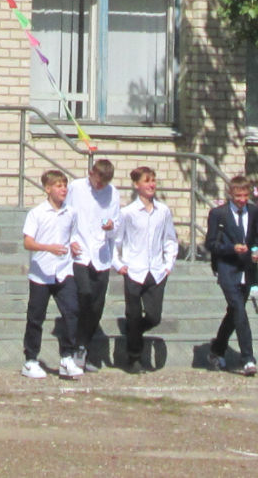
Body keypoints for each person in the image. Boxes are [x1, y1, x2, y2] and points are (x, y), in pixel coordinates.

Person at [113, 166, 178, 374]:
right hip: (134, 270)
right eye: (146, 181)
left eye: (153, 181)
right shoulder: (127, 213)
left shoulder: (163, 211)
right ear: (136, 185)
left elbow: (170, 239)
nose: (151, 185)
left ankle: (133, 333)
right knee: (133, 314)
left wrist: (168, 264)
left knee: (154, 316)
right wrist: (118, 264)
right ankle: (133, 357)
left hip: (156, 271)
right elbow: (116, 240)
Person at [21, 170, 83, 379]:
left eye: (65, 185)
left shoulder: (71, 213)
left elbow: (72, 235)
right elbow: (28, 242)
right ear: (48, 189)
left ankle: (67, 357)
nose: (63, 189)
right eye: (58, 186)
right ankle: (30, 360)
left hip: (64, 271)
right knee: (36, 318)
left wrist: (73, 245)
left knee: (72, 311)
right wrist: (48, 248)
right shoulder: (37, 213)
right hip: (41, 273)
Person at [204, 175, 258, 376]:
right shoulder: (218, 214)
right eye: (238, 196)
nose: (242, 200)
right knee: (240, 309)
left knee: (234, 313)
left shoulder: (255, 212)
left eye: (245, 196)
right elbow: (210, 243)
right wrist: (231, 248)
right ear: (230, 194)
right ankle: (248, 358)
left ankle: (216, 350)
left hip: (247, 269)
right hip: (227, 268)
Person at [66, 159, 121, 372]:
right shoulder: (76, 187)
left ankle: (83, 346)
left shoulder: (113, 193)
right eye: (98, 182)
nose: (100, 187)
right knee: (84, 294)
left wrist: (111, 227)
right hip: (80, 252)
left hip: (101, 255)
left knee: (97, 305)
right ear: (91, 174)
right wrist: (69, 240)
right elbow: (66, 214)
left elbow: (116, 225)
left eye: (104, 184)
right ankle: (74, 344)